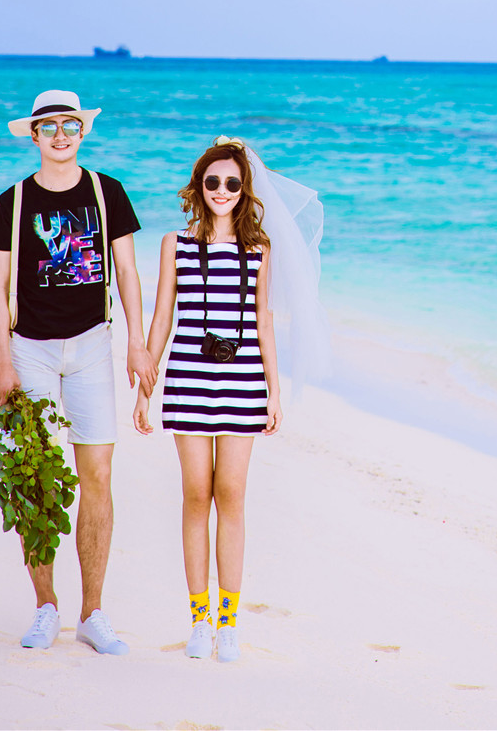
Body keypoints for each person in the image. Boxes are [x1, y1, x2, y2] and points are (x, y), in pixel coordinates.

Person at [134, 135, 329, 663]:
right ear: (199, 186)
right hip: (187, 378)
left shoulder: (258, 249)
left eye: (232, 183)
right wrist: (145, 386)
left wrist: (274, 392)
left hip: (243, 381)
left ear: (245, 190)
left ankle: (228, 623)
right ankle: (198, 620)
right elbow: (162, 316)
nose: (222, 190)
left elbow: (265, 320)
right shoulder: (175, 244)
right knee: (196, 494)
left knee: (232, 495)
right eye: (213, 181)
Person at [0, 89, 155, 655]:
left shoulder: (108, 192)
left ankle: (92, 613)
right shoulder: (11, 203)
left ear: (83, 132)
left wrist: (137, 343)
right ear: (34, 136)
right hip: (29, 349)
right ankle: (45, 607)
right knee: (34, 477)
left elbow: (127, 274)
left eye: (70, 125)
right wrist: (2, 361)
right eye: (50, 127)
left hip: (92, 345)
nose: (61, 135)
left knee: (98, 475)